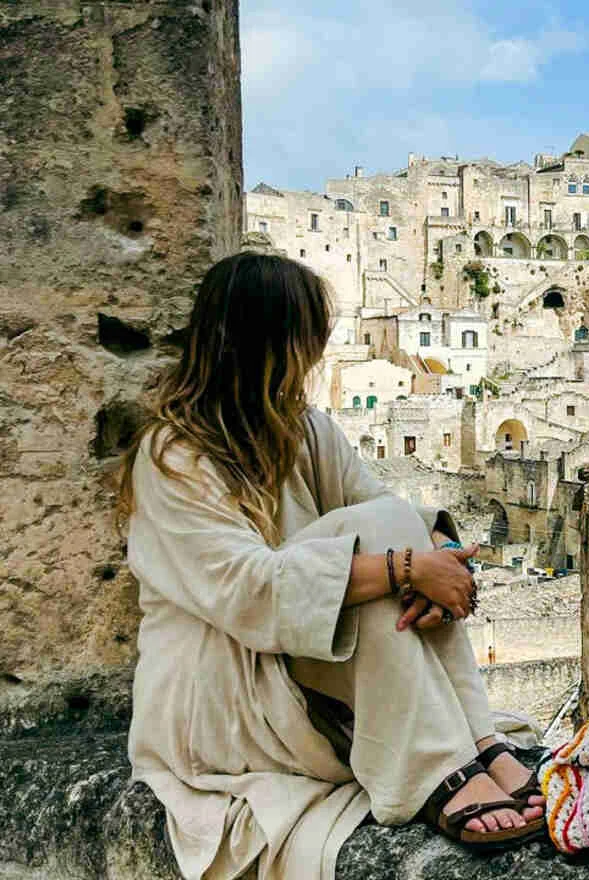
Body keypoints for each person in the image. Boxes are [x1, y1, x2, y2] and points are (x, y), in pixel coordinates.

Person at [116, 253, 545, 880]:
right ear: (270, 340)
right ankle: (437, 770)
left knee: (394, 520)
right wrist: (405, 571)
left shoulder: (308, 431)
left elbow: (386, 514)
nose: (316, 356)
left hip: (306, 666)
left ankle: (477, 743)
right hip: (222, 686)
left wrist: (437, 560)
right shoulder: (173, 457)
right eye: (308, 337)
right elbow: (249, 593)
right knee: (389, 543)